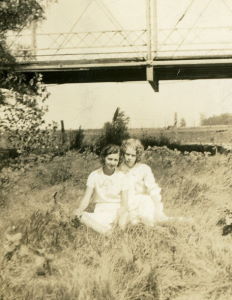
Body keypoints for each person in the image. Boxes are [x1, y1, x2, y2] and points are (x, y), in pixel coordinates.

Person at [73, 144, 127, 234]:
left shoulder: (122, 176)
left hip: (117, 211)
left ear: (119, 161)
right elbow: (86, 198)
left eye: (115, 160)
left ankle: (104, 230)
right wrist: (79, 209)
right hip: (100, 211)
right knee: (78, 215)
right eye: (109, 159)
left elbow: (125, 204)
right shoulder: (94, 175)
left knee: (124, 219)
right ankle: (107, 232)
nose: (112, 163)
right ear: (103, 158)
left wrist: (118, 217)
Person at [119, 138, 168, 227]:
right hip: (125, 202)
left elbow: (152, 189)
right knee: (130, 222)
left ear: (137, 156)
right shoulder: (119, 169)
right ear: (123, 154)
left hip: (141, 202)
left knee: (146, 205)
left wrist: (158, 208)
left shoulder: (144, 169)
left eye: (133, 155)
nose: (129, 158)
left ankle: (149, 226)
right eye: (127, 154)